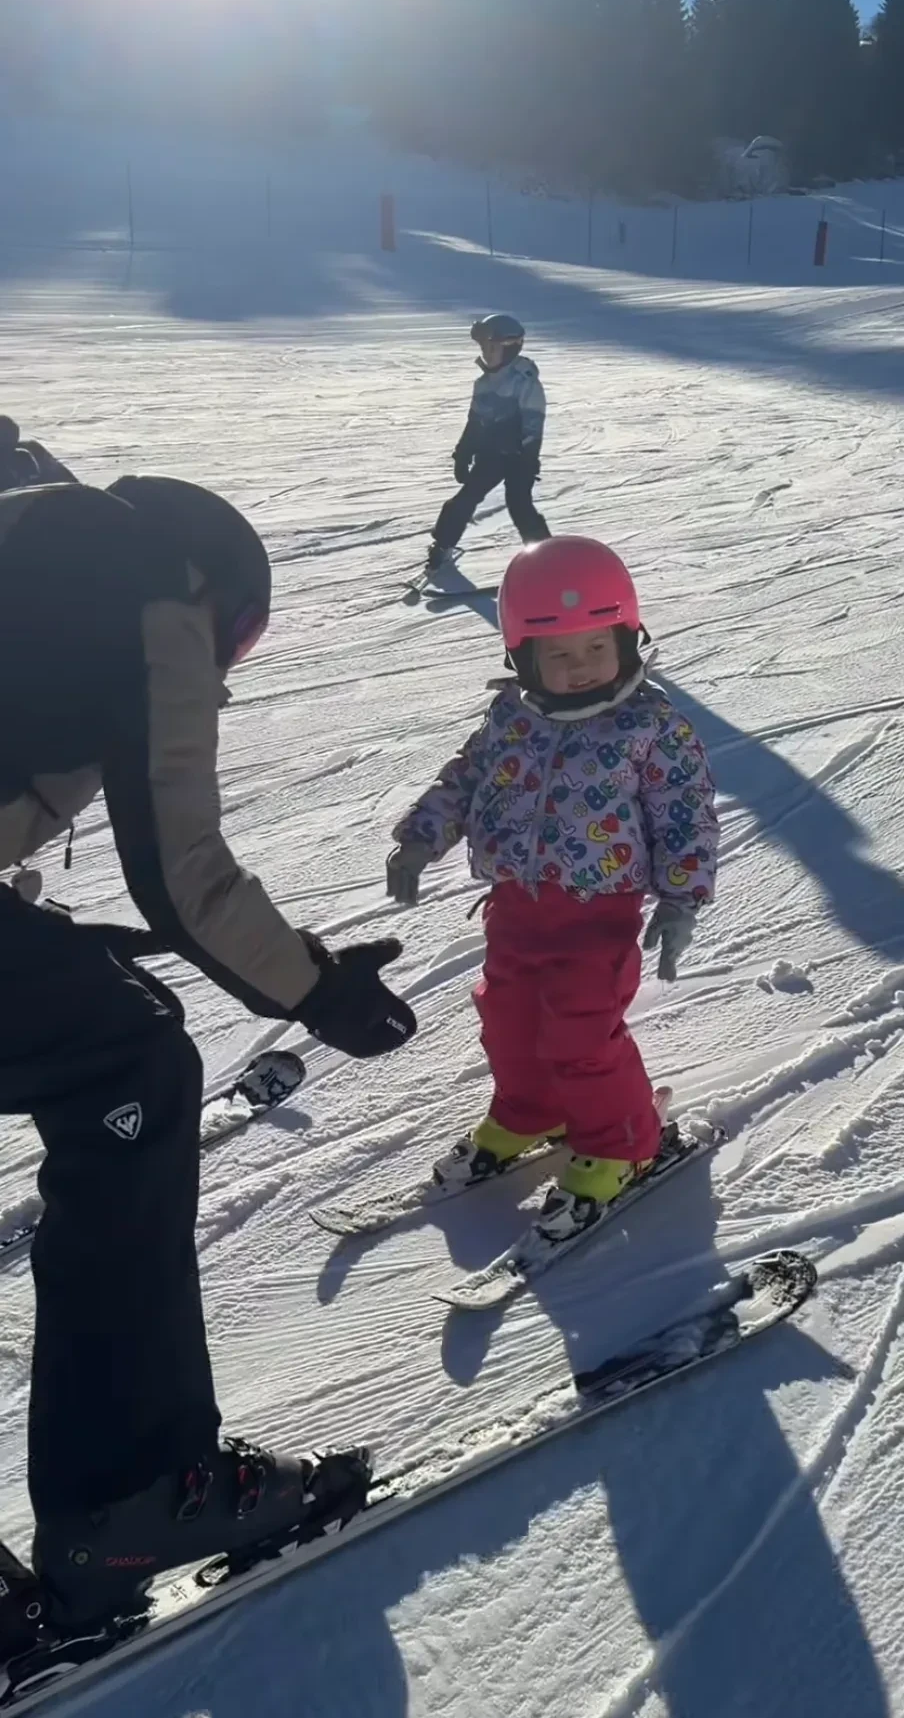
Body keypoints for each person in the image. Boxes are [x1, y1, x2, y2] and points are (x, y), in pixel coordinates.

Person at [0, 476, 417, 1677]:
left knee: (91, 1016)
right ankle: (132, 1492)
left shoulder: (32, 537)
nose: (224, 664)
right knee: (128, 1064)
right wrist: (315, 989)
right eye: (240, 636)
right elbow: (180, 871)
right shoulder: (153, 585)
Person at [385, 536, 718, 1236]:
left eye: (597, 646)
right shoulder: (513, 716)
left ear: (627, 639)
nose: (579, 666)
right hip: (516, 905)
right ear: (522, 656)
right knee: (508, 1020)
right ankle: (531, 1111)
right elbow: (465, 778)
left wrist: (681, 897)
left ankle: (623, 1142)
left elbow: (684, 813)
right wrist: (421, 835)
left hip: (598, 915)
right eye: (558, 654)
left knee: (580, 1033)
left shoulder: (650, 725)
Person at [426, 315, 550, 577]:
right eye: (483, 347)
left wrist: (527, 458)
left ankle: (547, 557)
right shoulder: (483, 384)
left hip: (519, 458)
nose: (486, 353)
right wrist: (463, 453)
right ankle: (443, 545)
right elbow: (474, 422)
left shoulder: (524, 382)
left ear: (509, 348)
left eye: (492, 348)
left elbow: (533, 424)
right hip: (491, 456)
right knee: (463, 500)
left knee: (519, 505)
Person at [0, 415, 76, 493]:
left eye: (11, 436)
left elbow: (36, 482)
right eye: (5, 436)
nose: (8, 442)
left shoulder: (24, 456)